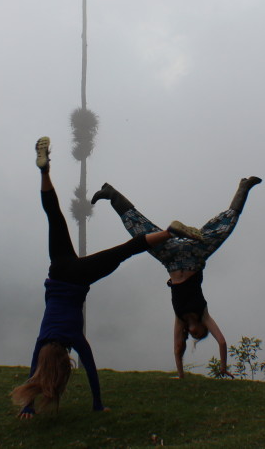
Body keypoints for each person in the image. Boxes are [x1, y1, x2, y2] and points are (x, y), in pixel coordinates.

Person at [13, 137, 196, 419]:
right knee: (54, 215)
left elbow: (90, 371)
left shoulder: (73, 338)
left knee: (125, 251)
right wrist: (26, 403)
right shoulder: (42, 341)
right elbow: (33, 371)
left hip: (78, 279)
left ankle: (170, 231)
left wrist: (97, 403)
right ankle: (44, 171)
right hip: (59, 270)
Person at [90, 175, 261, 378]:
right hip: (195, 257)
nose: (196, 334)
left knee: (140, 231)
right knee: (224, 228)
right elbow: (222, 342)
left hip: (170, 259)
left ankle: (112, 194)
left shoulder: (180, 321)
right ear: (204, 329)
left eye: (194, 336)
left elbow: (177, 348)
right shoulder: (204, 314)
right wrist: (223, 367)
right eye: (201, 334)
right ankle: (244, 188)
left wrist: (180, 375)